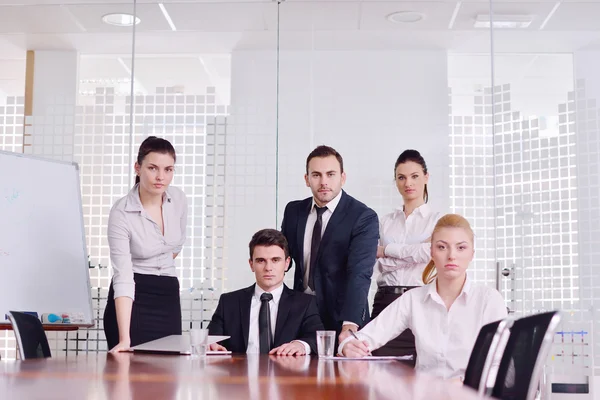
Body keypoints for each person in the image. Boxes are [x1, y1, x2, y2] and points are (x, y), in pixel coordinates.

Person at [339, 214, 508, 381]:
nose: (451, 255)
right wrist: (348, 346)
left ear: (472, 254)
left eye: (461, 248)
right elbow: (366, 336)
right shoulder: (413, 299)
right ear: (431, 253)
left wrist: (464, 383)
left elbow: (500, 364)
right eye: (442, 247)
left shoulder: (488, 300)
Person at [281, 145, 379, 343]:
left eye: (330, 174)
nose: (324, 182)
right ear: (307, 179)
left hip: (341, 316)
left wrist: (350, 322)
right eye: (316, 175)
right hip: (301, 315)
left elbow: (360, 273)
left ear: (342, 178)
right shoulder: (293, 211)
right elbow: (283, 260)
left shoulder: (362, 217)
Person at [103, 136, 187, 353]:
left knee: (168, 376)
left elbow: (175, 247)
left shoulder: (178, 198)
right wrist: (124, 338)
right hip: (133, 297)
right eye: (153, 168)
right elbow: (123, 276)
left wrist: (158, 264)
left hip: (167, 293)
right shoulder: (121, 212)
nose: (161, 177)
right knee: (131, 374)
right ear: (137, 168)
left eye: (168, 169)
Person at [372, 150, 442, 362]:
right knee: (379, 373)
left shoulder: (438, 220)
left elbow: (430, 253)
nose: (408, 183)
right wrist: (413, 253)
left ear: (426, 177)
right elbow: (376, 261)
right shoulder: (384, 221)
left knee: (423, 373)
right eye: (401, 177)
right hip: (386, 300)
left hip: (422, 302)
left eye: (414, 176)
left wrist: (386, 250)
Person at [208, 229, 324, 355]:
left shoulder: (305, 303)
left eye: (275, 260)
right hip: (240, 372)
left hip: (286, 372)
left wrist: (301, 345)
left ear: (286, 263)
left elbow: (317, 337)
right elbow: (211, 339)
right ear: (251, 264)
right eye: (261, 261)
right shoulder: (229, 302)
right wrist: (210, 346)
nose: (268, 268)